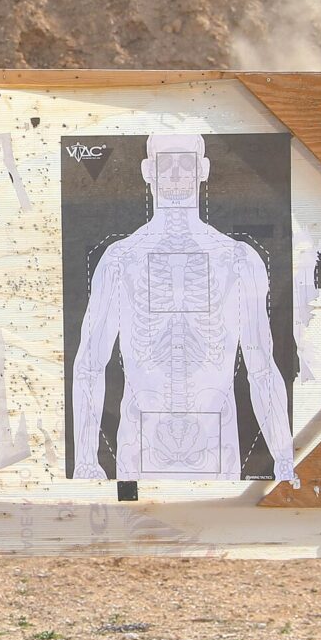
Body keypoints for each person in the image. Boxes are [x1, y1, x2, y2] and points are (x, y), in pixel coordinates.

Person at [71, 134, 299, 486]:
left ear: (203, 169)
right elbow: (89, 364)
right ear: (148, 171)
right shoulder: (121, 261)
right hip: (139, 451)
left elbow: (262, 369)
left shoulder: (238, 261)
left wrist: (284, 457)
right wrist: (85, 460)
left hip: (216, 450)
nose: (176, 173)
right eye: (165, 163)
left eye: (186, 162)